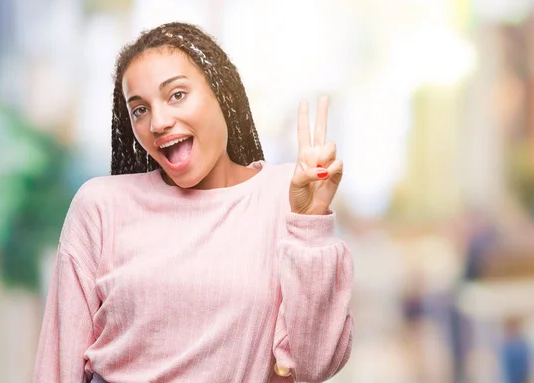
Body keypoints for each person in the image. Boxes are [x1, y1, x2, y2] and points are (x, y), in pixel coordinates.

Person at [33, 21, 353, 383]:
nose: (158, 122)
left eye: (177, 95)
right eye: (139, 109)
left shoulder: (286, 195)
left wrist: (310, 223)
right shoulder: (100, 205)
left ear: (224, 95)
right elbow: (56, 367)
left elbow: (314, 364)